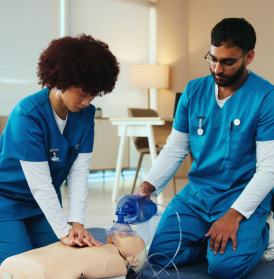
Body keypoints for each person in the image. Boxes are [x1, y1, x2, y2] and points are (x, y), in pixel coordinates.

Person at [134, 18, 274, 279]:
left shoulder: (266, 97)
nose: (217, 69)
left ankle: (262, 233)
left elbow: (269, 169)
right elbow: (176, 148)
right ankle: (211, 243)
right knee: (158, 255)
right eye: (212, 59)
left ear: (249, 56)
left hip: (240, 197)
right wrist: (148, 188)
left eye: (228, 62)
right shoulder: (193, 90)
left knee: (225, 269)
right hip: (198, 195)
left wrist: (234, 215)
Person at [0, 34, 120, 265]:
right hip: (6, 199)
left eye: (93, 94)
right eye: (82, 93)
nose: (87, 102)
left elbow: (79, 173)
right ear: (60, 80)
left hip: (40, 205)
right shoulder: (28, 114)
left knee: (61, 260)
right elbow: (40, 184)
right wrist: (63, 231)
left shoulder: (85, 115)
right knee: (22, 263)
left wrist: (76, 224)